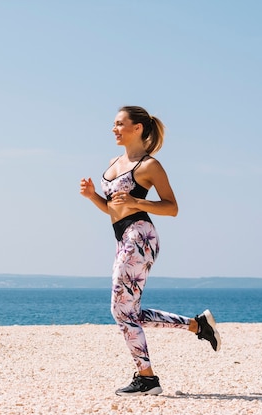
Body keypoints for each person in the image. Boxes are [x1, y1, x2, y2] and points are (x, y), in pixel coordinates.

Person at [79, 105, 221, 396]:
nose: (114, 128)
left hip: (140, 237)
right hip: (123, 237)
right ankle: (198, 325)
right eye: (114, 124)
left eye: (120, 123)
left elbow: (172, 207)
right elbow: (113, 209)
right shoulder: (113, 161)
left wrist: (139, 202)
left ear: (138, 128)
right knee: (129, 312)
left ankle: (147, 379)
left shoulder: (148, 166)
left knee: (120, 310)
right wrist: (93, 195)